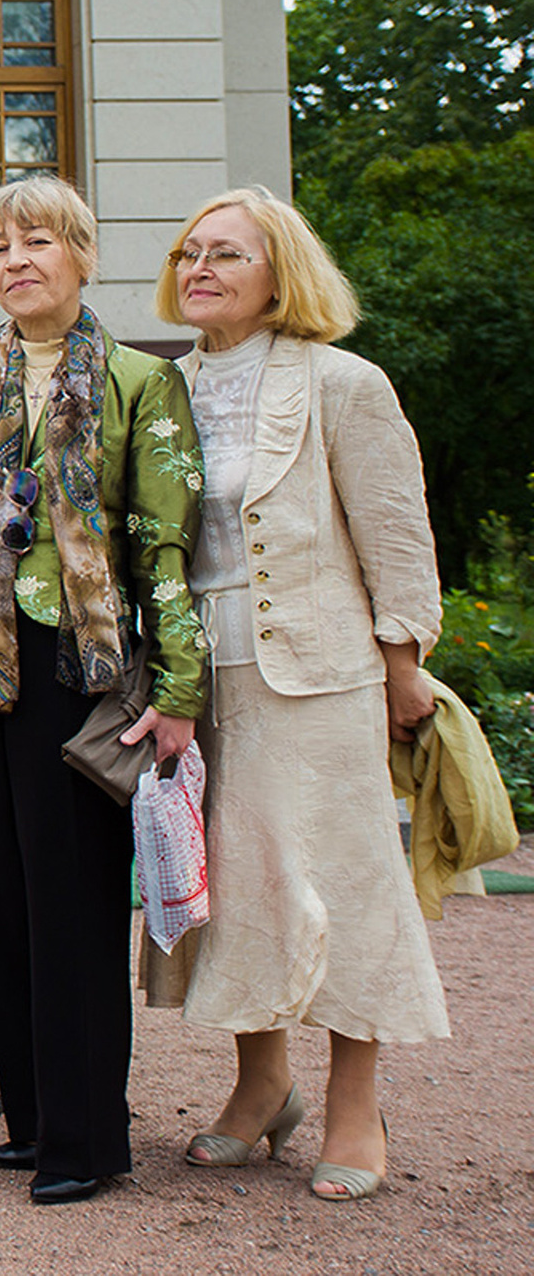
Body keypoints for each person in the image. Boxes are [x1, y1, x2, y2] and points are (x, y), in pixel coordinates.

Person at [0, 175, 205, 1205]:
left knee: (71, 907)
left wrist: (178, 686)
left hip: (86, 676)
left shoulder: (134, 379)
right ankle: (31, 1122)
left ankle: (86, 1137)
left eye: (37, 240)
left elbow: (166, 540)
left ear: (78, 253)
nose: (14, 259)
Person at [155, 185, 447, 1203]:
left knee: (343, 883)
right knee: (235, 885)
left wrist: (403, 663)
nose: (199, 266)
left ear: (280, 272)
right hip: (196, 674)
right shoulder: (158, 387)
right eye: (190, 251)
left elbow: (396, 532)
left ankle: (353, 1103)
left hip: (320, 671)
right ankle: (260, 1084)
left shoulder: (342, 381)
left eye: (225, 253)